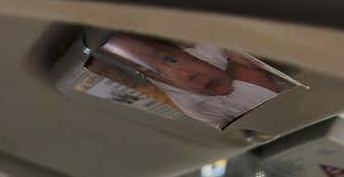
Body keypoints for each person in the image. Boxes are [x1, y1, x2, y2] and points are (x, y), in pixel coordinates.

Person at [100, 35, 279, 129]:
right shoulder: (191, 106)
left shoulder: (214, 44)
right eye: (157, 74)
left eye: (171, 60)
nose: (185, 76)